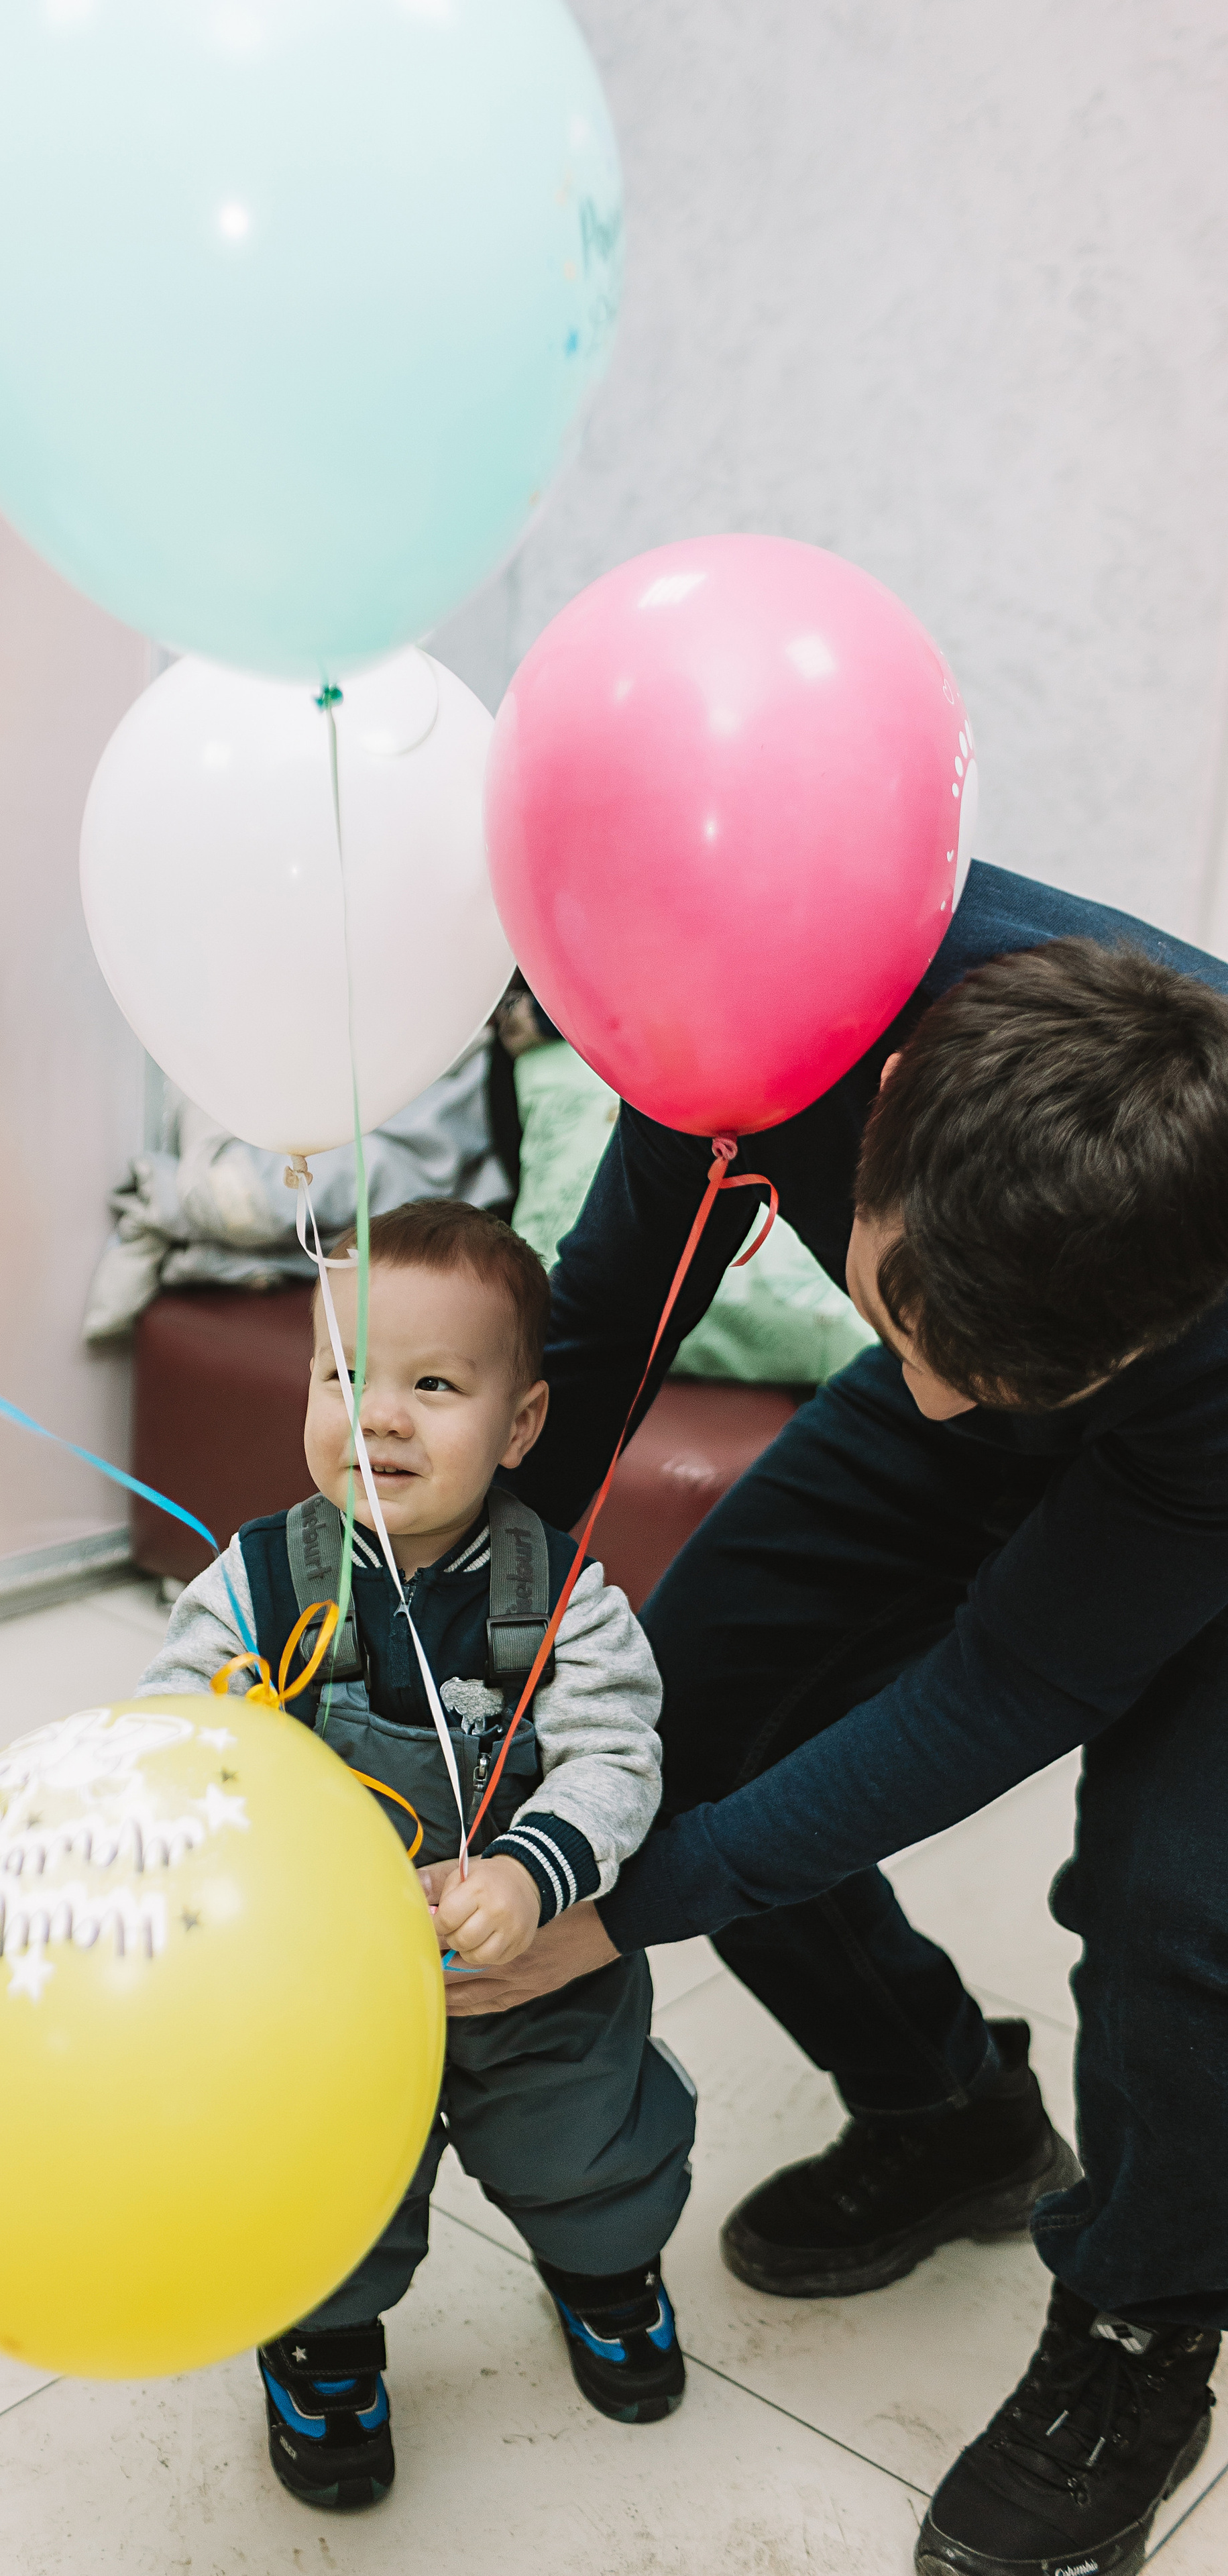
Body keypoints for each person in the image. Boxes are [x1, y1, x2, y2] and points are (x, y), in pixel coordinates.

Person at [453, 867, 1227, 2576]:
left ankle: (1140, 2322)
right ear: (884, 1117)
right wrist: (459, 1627)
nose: (938, 1397)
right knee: (672, 1747)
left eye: (993, 1384)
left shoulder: (1179, 1326)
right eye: (897, 1326)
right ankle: (943, 2106)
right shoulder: (758, 1016)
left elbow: (1002, 1688)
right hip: (1025, 1303)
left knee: (1176, 1912)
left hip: (1208, 1460)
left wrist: (613, 1921)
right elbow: (602, 1319)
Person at [135, 1199, 696, 2511]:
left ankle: (606, 2274)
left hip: (528, 1964)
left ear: (519, 1426)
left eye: (432, 1386)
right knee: (316, 2176)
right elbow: (172, 1740)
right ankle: (323, 2345)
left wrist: (528, 1870)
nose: (377, 1416)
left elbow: (620, 1762)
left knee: (584, 2144)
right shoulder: (252, 1583)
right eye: (345, 1376)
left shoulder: (565, 1597)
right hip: (319, 1993)